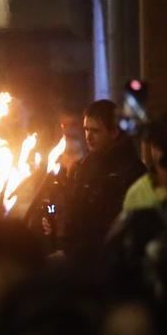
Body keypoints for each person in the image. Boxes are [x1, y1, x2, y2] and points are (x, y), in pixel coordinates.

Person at [63, 100, 146, 262]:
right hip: (80, 255)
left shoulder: (130, 171)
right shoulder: (84, 167)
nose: (88, 137)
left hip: (112, 260)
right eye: (86, 130)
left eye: (95, 131)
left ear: (113, 132)